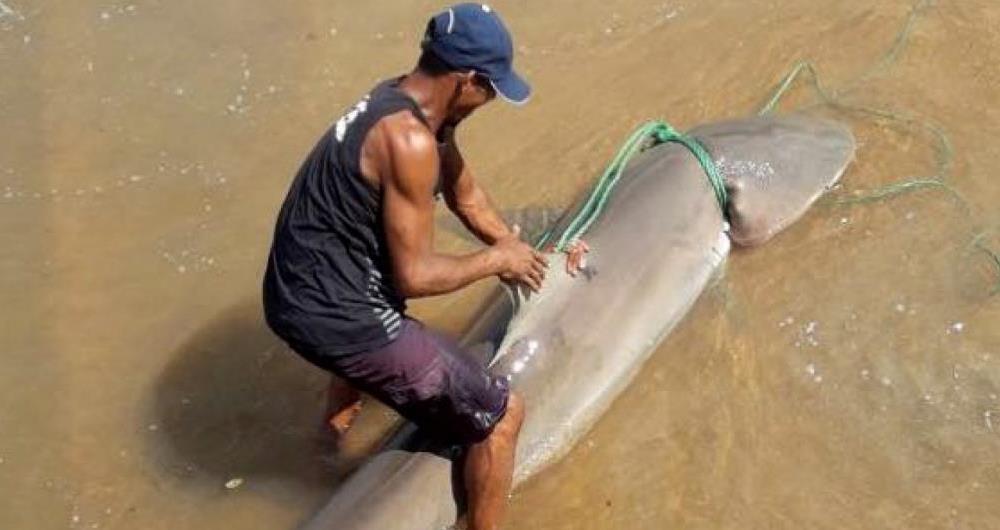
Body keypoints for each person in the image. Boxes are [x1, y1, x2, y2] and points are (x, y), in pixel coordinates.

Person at [262, 4, 585, 529]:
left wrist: (523, 250)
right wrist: (494, 260)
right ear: (467, 82)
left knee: (374, 289)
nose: (490, 103)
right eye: (491, 90)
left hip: (293, 291)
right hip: (336, 314)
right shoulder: (409, 142)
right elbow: (416, 275)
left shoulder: (401, 100)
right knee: (501, 417)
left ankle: (329, 442)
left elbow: (464, 192)